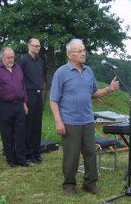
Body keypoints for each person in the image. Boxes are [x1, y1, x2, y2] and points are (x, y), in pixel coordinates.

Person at [50, 38, 119, 195]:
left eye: (84, 50)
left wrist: (109, 89)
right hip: (69, 121)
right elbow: (53, 100)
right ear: (70, 55)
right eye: (79, 51)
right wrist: (58, 121)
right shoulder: (61, 73)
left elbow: (94, 93)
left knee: (90, 153)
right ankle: (68, 185)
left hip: (88, 120)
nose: (83, 53)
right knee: (71, 156)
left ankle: (90, 183)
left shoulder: (89, 71)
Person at [0, 47, 29, 167]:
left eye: (12, 57)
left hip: (19, 105)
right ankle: (11, 160)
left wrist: (24, 103)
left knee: (21, 133)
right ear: (2, 58)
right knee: (7, 134)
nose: (11, 59)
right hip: (3, 106)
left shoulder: (18, 68)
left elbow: (23, 86)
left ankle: (21, 159)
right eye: (8, 57)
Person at [18, 38, 47, 164]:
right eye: (35, 46)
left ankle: (36, 152)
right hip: (28, 94)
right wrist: (23, 99)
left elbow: (43, 77)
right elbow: (19, 80)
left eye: (39, 46)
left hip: (39, 95)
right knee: (28, 125)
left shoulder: (40, 61)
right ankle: (27, 153)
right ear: (29, 46)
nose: (37, 48)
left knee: (37, 125)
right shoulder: (23, 60)